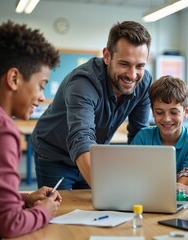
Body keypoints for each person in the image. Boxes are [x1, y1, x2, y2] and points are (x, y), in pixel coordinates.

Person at [0, 21, 62, 239]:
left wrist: (24, 199)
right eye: (41, 85)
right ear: (14, 78)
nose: (41, 97)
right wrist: (44, 211)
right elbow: (8, 224)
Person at [30, 21, 152, 190]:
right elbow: (81, 137)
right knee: (61, 213)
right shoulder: (83, 83)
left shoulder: (144, 82)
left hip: (93, 155)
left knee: (96, 211)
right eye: (124, 64)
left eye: (140, 66)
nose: (132, 75)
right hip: (55, 155)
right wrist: (114, 195)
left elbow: (139, 135)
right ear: (107, 56)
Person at [131, 75, 188, 173]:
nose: (166, 119)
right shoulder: (143, 137)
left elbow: (187, 183)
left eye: (173, 112)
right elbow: (132, 172)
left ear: (186, 111)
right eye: (159, 112)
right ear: (152, 111)